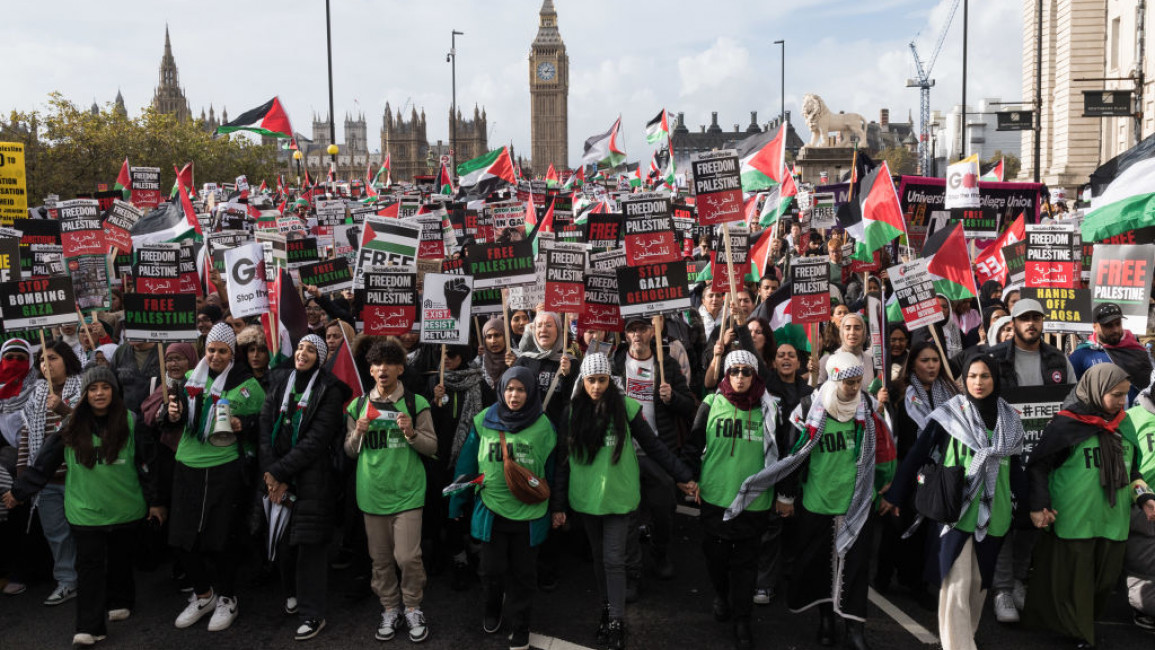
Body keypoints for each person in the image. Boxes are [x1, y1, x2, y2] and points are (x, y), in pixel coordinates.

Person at [727, 351, 895, 650]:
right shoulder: (809, 410)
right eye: (848, 382)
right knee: (820, 568)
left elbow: (882, 451)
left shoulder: (868, 408)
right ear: (833, 379)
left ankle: (855, 630)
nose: (854, 388)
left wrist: (883, 487)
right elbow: (793, 457)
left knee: (855, 571)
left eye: (858, 382)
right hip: (818, 505)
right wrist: (786, 496)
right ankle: (826, 622)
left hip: (857, 505)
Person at [3, 366, 164, 648]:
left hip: (125, 509)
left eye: (105, 387)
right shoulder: (71, 426)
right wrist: (19, 492)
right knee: (89, 568)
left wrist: (157, 503)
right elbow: (44, 464)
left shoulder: (130, 421)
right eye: (93, 389)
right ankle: (89, 627)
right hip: (85, 512)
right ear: (85, 394)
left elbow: (148, 465)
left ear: (114, 391)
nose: (99, 393)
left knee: (119, 560)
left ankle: (120, 599)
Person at [881, 354, 1025, 650]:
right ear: (964, 380)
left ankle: (965, 637)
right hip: (955, 511)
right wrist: (895, 494)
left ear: (995, 379)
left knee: (978, 583)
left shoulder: (1010, 419)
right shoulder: (950, 414)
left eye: (985, 376)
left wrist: (1033, 506)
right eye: (972, 376)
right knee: (957, 583)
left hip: (993, 512)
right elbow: (917, 455)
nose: (978, 382)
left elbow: (1018, 469)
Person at [552, 353, 695, 650]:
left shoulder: (627, 408)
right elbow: (563, 463)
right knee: (598, 558)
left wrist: (683, 475)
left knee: (614, 559)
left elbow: (654, 446)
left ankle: (616, 619)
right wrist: (558, 505)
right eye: (591, 380)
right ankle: (606, 607)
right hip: (586, 497)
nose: (596, 386)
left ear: (610, 380)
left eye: (602, 380)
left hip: (620, 495)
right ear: (583, 381)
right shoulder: (570, 412)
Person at [1022, 364, 1155, 648]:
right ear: (1096, 391)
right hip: (1075, 519)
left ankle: (1081, 627)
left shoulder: (1125, 423)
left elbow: (1133, 471)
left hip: (1113, 520)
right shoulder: (1065, 424)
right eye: (1116, 395)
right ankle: (1081, 634)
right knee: (1077, 584)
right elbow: (1038, 467)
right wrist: (1039, 505)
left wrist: (1144, 496)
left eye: (1125, 395)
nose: (1122, 401)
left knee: (1105, 582)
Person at [164, 322, 266, 633]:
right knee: (181, 538)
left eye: (222, 351)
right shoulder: (188, 383)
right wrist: (170, 414)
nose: (215, 356)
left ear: (233, 354)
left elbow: (265, 422)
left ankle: (227, 598)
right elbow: (172, 422)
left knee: (221, 538)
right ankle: (203, 594)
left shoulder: (247, 383)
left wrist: (243, 424)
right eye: (210, 350)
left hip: (224, 466)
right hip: (187, 464)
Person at [449, 366, 557, 650]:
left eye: (521, 389)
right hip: (491, 511)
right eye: (509, 388)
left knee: (524, 575)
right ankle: (493, 607)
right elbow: (468, 464)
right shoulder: (484, 420)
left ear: (531, 392)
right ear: (501, 390)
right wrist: (457, 502)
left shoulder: (545, 426)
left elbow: (554, 471)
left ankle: (521, 626)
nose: (514, 395)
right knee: (491, 570)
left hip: (530, 515)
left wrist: (559, 507)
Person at [684, 350, 781, 650]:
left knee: (746, 563)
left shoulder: (769, 408)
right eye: (734, 371)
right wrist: (690, 479)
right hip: (716, 496)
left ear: (755, 375)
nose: (740, 377)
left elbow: (783, 453)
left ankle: (742, 619)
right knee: (717, 557)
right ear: (726, 374)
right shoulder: (711, 404)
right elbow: (693, 446)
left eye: (746, 372)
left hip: (755, 501)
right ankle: (721, 594)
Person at [259, 334, 349, 641]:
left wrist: (279, 472)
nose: (303, 353)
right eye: (300, 347)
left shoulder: (329, 390)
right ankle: (291, 594)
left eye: (311, 350)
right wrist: (272, 474)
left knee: (310, 547)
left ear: (321, 358)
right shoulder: (281, 381)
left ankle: (313, 614)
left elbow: (316, 441)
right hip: (278, 478)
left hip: (314, 480)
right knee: (284, 542)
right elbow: (264, 426)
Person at [345, 340, 436, 643]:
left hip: (408, 493)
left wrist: (411, 433)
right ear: (370, 370)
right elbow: (350, 452)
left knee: (408, 557)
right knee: (380, 560)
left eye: (389, 363)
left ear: (400, 368)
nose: (382, 369)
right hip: (372, 494)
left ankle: (412, 607)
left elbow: (432, 446)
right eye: (376, 364)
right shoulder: (358, 406)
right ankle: (389, 607)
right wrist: (357, 433)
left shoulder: (416, 403)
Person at [611, 316, 698, 596]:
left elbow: (690, 409)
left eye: (642, 328)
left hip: (658, 452)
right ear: (626, 336)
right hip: (623, 454)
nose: (637, 334)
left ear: (652, 332)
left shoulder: (667, 366)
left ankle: (660, 553)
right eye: (631, 330)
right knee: (628, 516)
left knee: (663, 511)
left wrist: (672, 397)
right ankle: (632, 573)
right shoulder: (615, 364)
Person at [14, 340, 85, 605]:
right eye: (42, 360)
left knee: (85, 531)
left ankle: (92, 578)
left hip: (80, 476)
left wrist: (64, 409)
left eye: (53, 358)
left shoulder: (85, 386)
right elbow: (26, 434)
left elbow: (92, 425)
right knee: (56, 533)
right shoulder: (36, 394)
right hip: (47, 481)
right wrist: (25, 477)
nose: (46, 364)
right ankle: (67, 581)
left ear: (67, 360)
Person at [1118, 369, 1155, 630]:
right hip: (1144, 507)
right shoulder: (1131, 418)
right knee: (1148, 601)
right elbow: (1126, 469)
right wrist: (1143, 496)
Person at [1070, 302, 1153, 403]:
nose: (1116, 330)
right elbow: (1071, 395)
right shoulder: (1082, 356)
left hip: (1135, 416)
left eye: (1118, 324)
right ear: (1095, 326)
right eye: (1108, 326)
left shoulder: (1137, 351)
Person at [514, 311, 574, 424]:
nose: (543, 330)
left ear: (559, 330)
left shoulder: (570, 362)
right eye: (539, 326)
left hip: (558, 430)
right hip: (529, 429)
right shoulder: (524, 361)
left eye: (549, 325)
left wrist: (568, 375)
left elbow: (573, 401)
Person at [815, 313, 875, 386]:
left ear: (864, 332)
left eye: (857, 328)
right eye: (848, 328)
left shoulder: (871, 360)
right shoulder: (827, 359)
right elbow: (816, 391)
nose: (852, 332)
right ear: (842, 332)